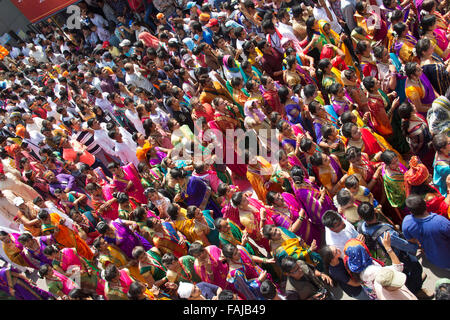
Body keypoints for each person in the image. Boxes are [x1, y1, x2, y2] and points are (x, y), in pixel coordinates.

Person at [402, 195, 450, 270]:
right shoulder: (441, 221)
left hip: (432, 259)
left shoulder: (406, 222)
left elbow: (410, 240)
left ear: (410, 211)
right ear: (425, 204)